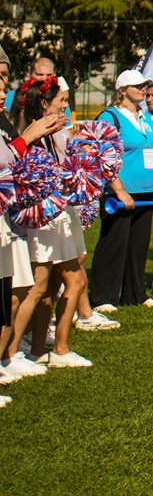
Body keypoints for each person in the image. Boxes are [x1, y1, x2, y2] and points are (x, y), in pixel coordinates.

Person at [2, 74, 78, 378]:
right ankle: (15, 351)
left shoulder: (50, 132)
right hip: (33, 216)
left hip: (50, 212)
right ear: (43, 103)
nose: (65, 108)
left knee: (35, 287)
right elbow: (14, 164)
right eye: (60, 101)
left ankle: (20, 350)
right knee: (31, 287)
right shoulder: (24, 130)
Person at [93, 70, 153, 312]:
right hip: (118, 193)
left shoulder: (145, 117)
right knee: (114, 243)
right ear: (122, 90)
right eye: (137, 86)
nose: (143, 90)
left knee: (138, 244)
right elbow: (103, 156)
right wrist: (120, 191)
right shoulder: (109, 117)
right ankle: (103, 296)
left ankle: (135, 293)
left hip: (145, 191)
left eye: (145, 85)